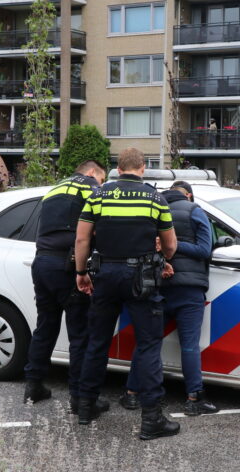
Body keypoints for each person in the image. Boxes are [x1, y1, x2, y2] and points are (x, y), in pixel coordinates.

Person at [74, 148, 180, 440]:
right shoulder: (155, 198)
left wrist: (81, 273)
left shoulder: (98, 196)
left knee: (97, 341)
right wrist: (165, 257)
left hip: (104, 275)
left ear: (117, 169)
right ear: (142, 168)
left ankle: (86, 406)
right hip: (141, 278)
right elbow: (169, 245)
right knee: (147, 345)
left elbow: (82, 238)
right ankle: (151, 419)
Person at [119, 181, 219, 416]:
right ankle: (194, 398)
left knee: (147, 342)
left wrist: (167, 245)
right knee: (189, 345)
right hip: (189, 289)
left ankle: (132, 394)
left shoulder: (154, 209)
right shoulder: (196, 211)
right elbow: (205, 251)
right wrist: (179, 245)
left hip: (157, 286)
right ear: (189, 195)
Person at [23, 161, 107, 416]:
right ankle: (79, 398)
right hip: (68, 265)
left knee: (45, 326)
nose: (100, 184)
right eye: (101, 179)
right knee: (79, 333)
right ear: (93, 172)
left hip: (41, 263)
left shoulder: (53, 190)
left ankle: (33, 386)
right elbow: (97, 229)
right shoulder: (92, 189)